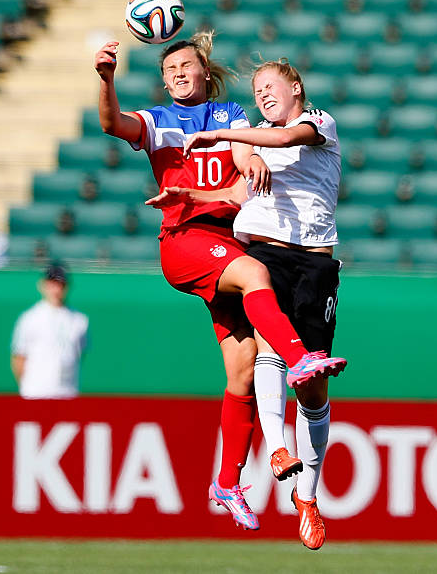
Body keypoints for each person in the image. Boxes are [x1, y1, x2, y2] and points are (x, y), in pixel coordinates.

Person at [94, 33, 346, 532]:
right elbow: (112, 123)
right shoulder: (158, 121)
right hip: (187, 241)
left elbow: (243, 169)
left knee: (244, 371)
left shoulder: (232, 117)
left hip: (227, 243)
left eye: (186, 66)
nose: (179, 75)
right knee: (257, 277)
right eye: (170, 71)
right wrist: (106, 79)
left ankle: (227, 481)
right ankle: (298, 359)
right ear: (163, 82)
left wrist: (245, 162)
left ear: (205, 72)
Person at [166, 59, 346, 550]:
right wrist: (190, 194)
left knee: (312, 389)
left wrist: (227, 137)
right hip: (264, 253)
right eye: (257, 89)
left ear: (296, 88)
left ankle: (307, 498)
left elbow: (288, 140)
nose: (263, 93)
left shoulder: (318, 124)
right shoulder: (252, 138)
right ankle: (277, 449)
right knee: (269, 346)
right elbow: (235, 192)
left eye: (271, 86)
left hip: (314, 264)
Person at [10, 263, 89, 399]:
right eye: (53, 284)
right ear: (43, 285)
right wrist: (28, 387)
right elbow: (19, 358)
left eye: (61, 284)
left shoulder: (79, 320)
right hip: (36, 393)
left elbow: (79, 354)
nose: (56, 289)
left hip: (67, 392)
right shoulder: (29, 318)